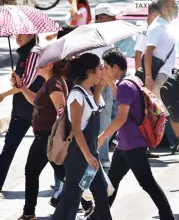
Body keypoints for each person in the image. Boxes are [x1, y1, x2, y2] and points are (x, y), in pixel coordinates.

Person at [88, 48, 175, 220]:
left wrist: (102, 137)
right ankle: (97, 216)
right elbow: (120, 97)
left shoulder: (125, 86)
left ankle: (167, 216)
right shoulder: (130, 81)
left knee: (147, 183)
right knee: (111, 182)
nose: (103, 70)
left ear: (114, 67)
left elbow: (121, 118)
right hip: (125, 143)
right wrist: (109, 83)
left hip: (133, 144)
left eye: (105, 67)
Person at [51, 53, 112, 220]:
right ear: (89, 72)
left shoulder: (89, 92)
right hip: (80, 159)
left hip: (90, 157)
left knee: (99, 190)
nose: (102, 71)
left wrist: (99, 88)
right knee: (71, 197)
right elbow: (77, 130)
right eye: (100, 68)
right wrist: (88, 157)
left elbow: (93, 111)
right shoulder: (77, 95)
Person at [139, 0, 179, 157]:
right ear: (164, 9)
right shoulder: (158, 26)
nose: (177, 8)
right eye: (174, 5)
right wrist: (149, 76)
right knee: (168, 112)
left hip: (164, 75)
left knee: (168, 112)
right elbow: (148, 51)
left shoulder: (164, 26)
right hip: (159, 76)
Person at [14, 60, 67, 220]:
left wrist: (57, 137)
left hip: (47, 136)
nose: (37, 66)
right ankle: (88, 203)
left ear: (50, 65)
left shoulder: (54, 83)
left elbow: (61, 108)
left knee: (32, 172)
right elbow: (36, 100)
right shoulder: (50, 82)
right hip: (46, 136)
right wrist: (22, 87)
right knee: (64, 173)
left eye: (41, 62)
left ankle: (29, 213)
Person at [0, 34, 44, 192]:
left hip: (35, 110)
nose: (17, 37)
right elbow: (21, 83)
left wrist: (5, 93)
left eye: (22, 34)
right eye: (16, 33)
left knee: (52, 154)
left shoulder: (34, 54)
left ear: (32, 34)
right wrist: (15, 80)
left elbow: (25, 84)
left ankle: (74, 192)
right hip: (21, 110)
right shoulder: (23, 55)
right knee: (8, 148)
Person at [91, 2, 118, 168]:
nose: (114, 19)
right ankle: (102, 159)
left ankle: (101, 157)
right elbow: (103, 66)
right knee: (103, 121)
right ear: (101, 18)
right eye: (110, 17)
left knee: (105, 120)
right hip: (100, 84)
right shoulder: (97, 36)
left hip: (103, 83)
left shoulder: (106, 35)